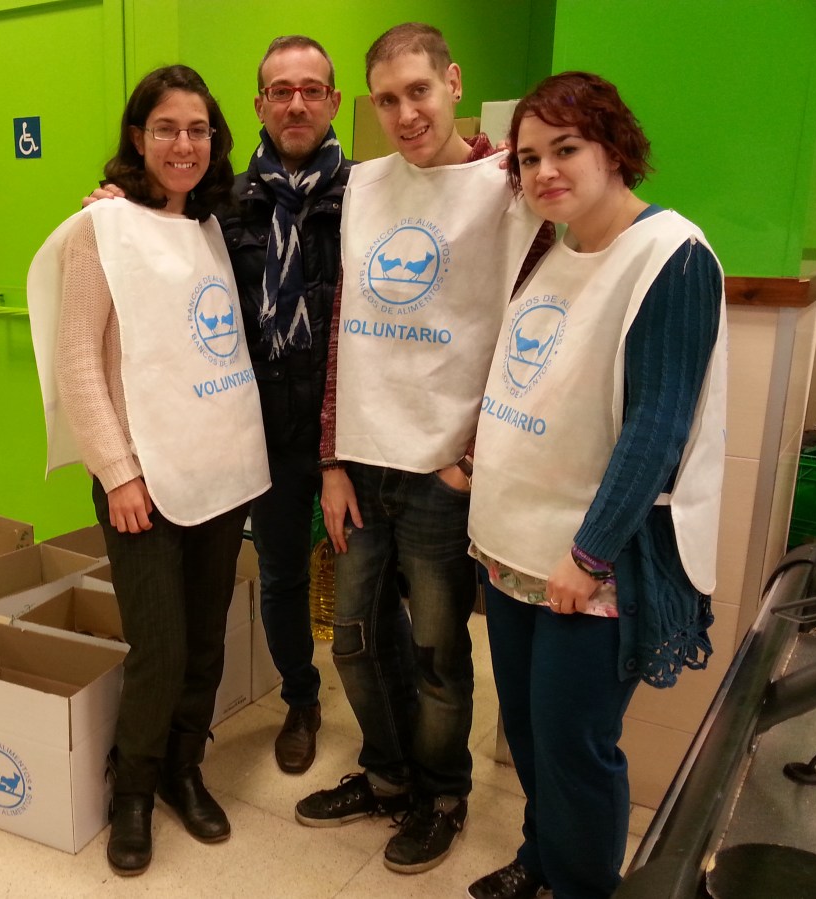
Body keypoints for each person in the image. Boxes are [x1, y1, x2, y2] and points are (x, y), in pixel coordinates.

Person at [466, 71, 726, 899]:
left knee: (576, 742)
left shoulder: (670, 256)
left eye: (566, 148)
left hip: (593, 561)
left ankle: (583, 887)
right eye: (528, 157)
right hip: (512, 544)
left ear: (613, 148)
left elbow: (658, 425)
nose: (544, 171)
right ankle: (542, 858)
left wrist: (589, 553)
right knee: (530, 731)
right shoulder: (554, 248)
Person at [297, 22, 547, 876]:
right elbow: (345, 331)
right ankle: (388, 773)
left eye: (419, 91)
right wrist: (331, 459)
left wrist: (470, 456)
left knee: (439, 651)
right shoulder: (366, 187)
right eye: (387, 99)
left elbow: (530, 333)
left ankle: (441, 793)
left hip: (442, 470)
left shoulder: (507, 189)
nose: (405, 114)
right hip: (364, 462)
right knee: (354, 639)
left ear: (453, 81)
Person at [27, 65, 270, 877]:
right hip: (142, 482)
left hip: (214, 470)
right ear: (138, 137)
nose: (183, 144)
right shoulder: (102, 230)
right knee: (159, 648)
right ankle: (131, 788)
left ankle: (182, 768)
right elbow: (76, 361)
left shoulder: (208, 226)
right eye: (166, 128)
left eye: (198, 130)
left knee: (204, 641)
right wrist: (118, 471)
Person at [88, 35, 352, 775]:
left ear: (333, 101)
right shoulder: (222, 205)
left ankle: (387, 741)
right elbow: (164, 260)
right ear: (259, 104)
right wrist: (121, 207)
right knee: (281, 577)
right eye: (280, 91)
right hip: (256, 434)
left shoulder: (368, 197)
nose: (296, 103)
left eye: (311, 89)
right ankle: (300, 700)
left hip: (347, 433)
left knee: (369, 588)